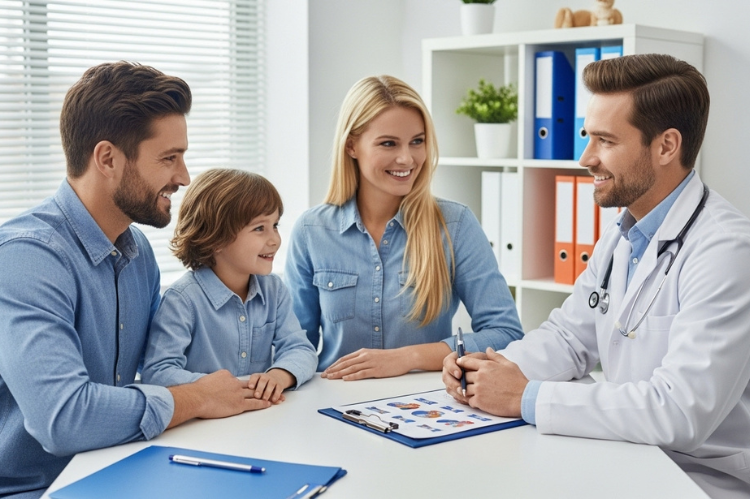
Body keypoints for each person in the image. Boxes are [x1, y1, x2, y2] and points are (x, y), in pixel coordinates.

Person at [442, 54, 750, 499]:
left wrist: (525, 397)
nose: (586, 157)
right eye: (589, 137)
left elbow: (679, 413)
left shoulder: (726, 251)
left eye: (605, 141)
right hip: (625, 457)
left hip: (697, 481)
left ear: (666, 146)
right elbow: (569, 337)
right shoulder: (624, 231)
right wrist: (493, 370)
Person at [0, 62, 270, 499]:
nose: (183, 177)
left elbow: (154, 369)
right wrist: (198, 398)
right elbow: (63, 419)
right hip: (38, 489)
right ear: (107, 158)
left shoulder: (137, 250)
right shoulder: (27, 257)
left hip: (122, 467)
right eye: (169, 158)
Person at [285, 75, 523, 381]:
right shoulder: (311, 230)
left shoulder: (455, 224)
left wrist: (408, 357)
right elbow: (293, 345)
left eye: (417, 141)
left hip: (424, 406)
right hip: (333, 402)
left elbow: (506, 334)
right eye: (388, 143)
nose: (407, 158)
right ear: (351, 146)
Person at [142, 169, 317, 403]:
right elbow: (157, 372)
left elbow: (301, 349)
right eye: (259, 228)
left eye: (274, 225)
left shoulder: (274, 290)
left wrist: (280, 374)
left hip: (259, 419)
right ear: (216, 238)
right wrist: (215, 388)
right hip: (205, 423)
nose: (275, 239)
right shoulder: (183, 299)